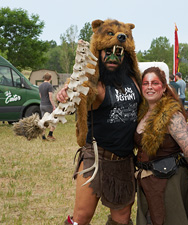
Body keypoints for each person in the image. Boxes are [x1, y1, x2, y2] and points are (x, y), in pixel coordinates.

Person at [57, 19, 141, 225]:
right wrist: (65, 91)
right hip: (95, 157)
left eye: (118, 53)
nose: (113, 57)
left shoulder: (135, 80)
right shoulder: (95, 84)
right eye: (107, 52)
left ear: (126, 55)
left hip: (124, 161)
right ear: (99, 52)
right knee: (81, 217)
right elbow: (78, 85)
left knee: (121, 220)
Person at [134, 67, 188, 225]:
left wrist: (181, 171)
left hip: (169, 181)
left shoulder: (171, 114)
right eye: (145, 83)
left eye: (154, 83)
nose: (149, 87)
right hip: (147, 181)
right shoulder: (142, 113)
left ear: (163, 88)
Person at [39, 72, 56, 141]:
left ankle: (43, 136)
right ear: (50, 78)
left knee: (43, 121)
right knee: (54, 120)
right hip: (48, 105)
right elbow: (50, 97)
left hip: (42, 105)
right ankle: (50, 134)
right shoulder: (49, 86)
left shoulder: (40, 86)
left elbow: (40, 96)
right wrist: (54, 106)